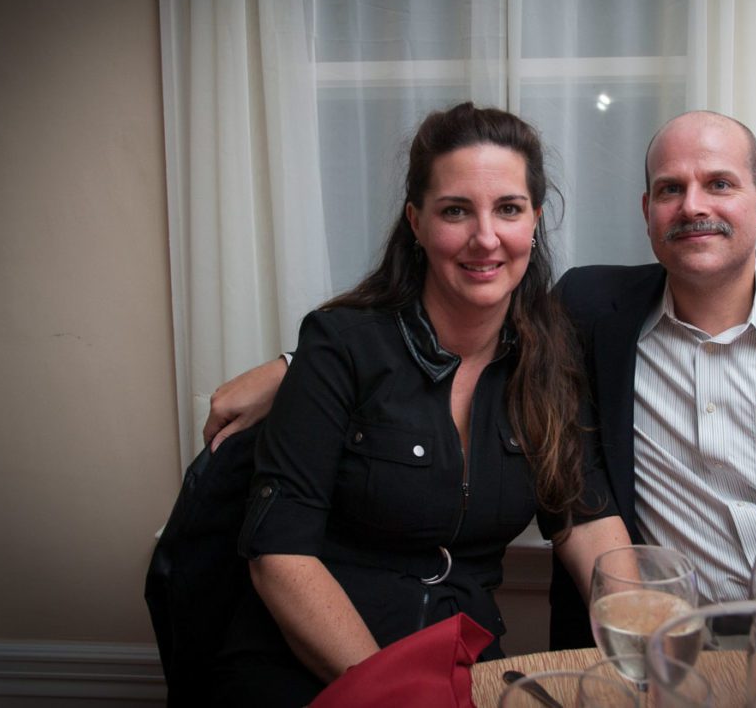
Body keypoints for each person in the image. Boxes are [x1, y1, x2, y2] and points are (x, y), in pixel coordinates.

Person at [205, 110, 756, 674]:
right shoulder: (592, 313)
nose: (694, 206)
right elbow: (421, 324)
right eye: (670, 189)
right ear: (647, 213)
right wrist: (300, 362)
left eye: (719, 184)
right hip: (674, 650)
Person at [211, 102, 630, 706]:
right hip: (313, 662)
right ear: (417, 221)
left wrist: (649, 644)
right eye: (456, 210)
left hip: (460, 658)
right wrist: (394, 692)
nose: (485, 237)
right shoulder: (341, 346)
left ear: (535, 220)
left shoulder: (551, 359)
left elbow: (585, 522)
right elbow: (280, 555)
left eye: (508, 209)